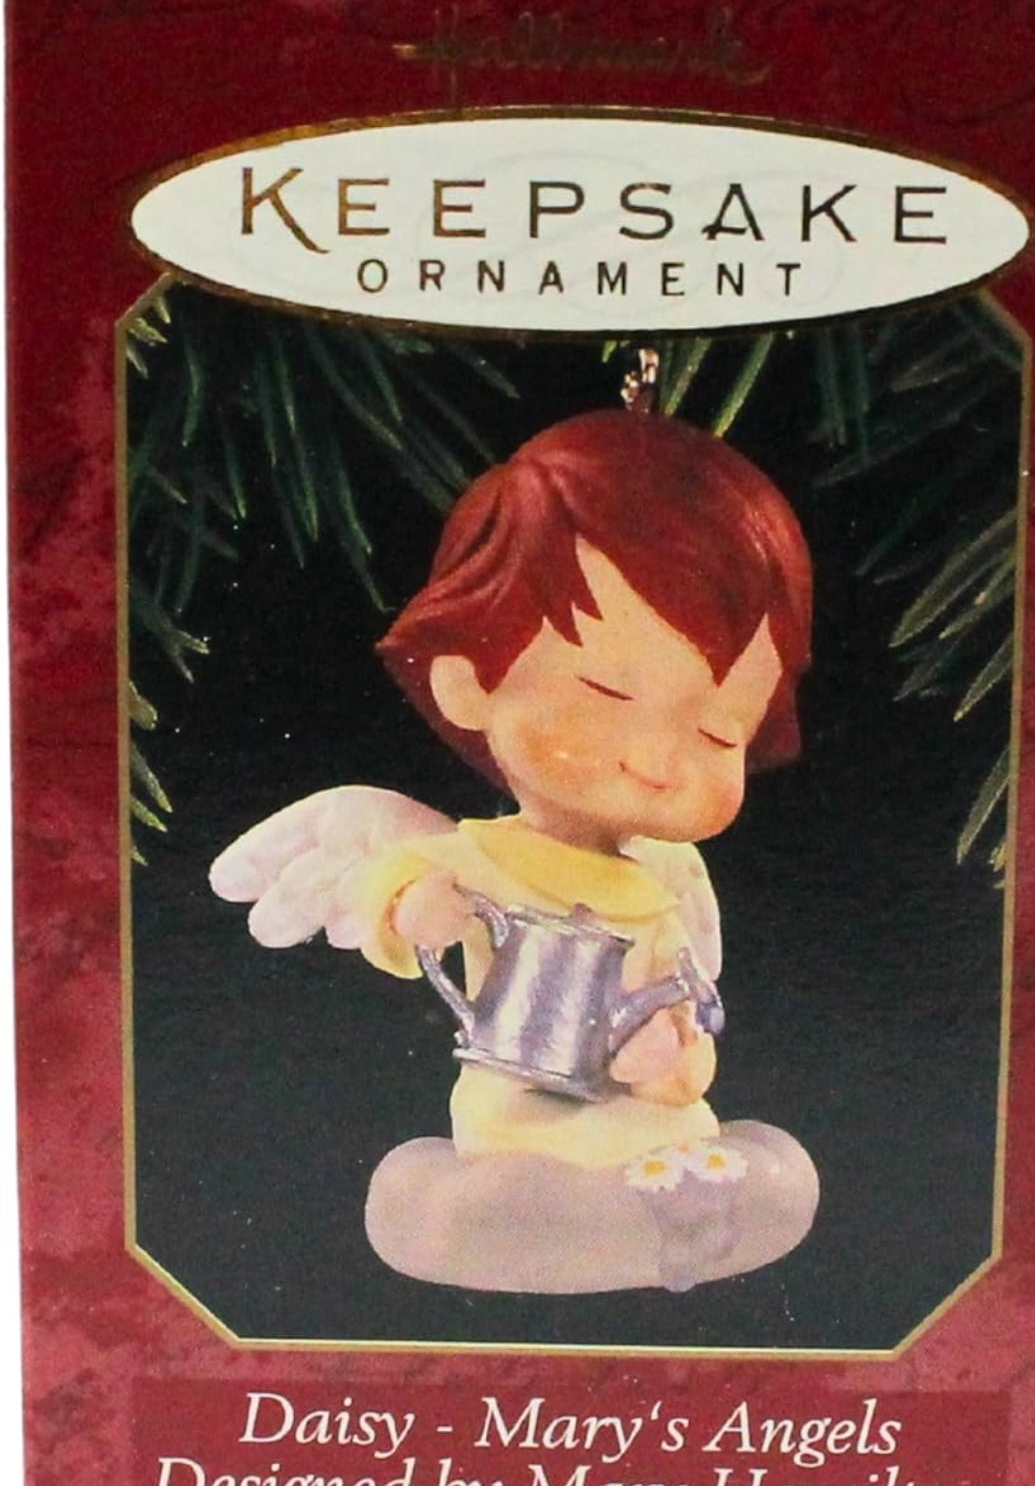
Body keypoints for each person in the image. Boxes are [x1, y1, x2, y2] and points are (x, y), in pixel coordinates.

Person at [213, 409, 820, 1293]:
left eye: (718, 731)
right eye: (608, 692)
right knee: (483, 1200)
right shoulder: (482, 858)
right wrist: (415, 909)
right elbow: (400, 892)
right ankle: (584, 1228)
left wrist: (672, 1065)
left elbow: (693, 1018)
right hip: (525, 1135)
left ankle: (640, 1226)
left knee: (781, 1172)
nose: (659, 759)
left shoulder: (663, 883)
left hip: (657, 1145)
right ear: (469, 680)